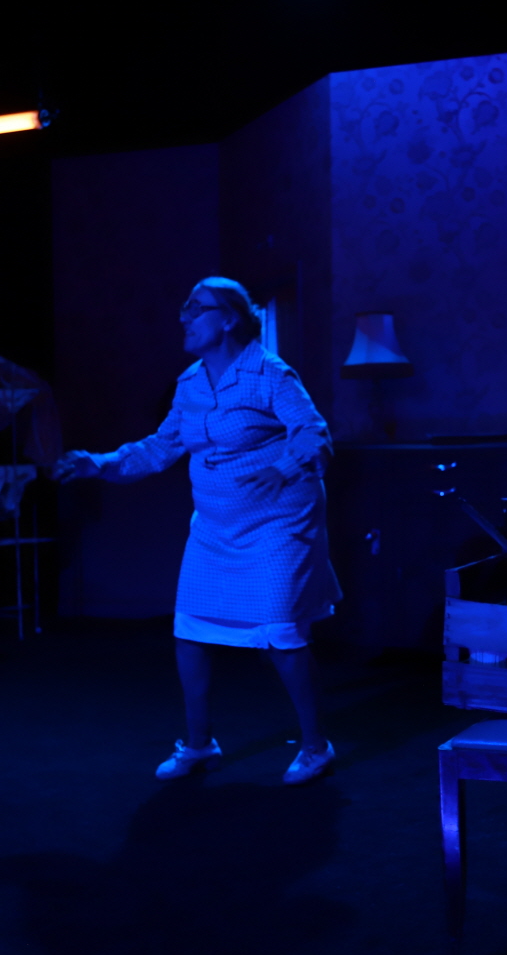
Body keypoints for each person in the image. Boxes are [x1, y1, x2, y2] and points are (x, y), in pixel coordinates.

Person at [52, 277, 342, 784]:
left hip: (278, 522)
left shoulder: (269, 373)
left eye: (195, 307)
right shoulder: (190, 382)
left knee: (280, 633)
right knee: (190, 630)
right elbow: (161, 447)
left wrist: (284, 467)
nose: (183, 316)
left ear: (228, 318)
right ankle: (199, 744)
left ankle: (316, 747)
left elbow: (314, 433)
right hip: (215, 527)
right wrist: (98, 463)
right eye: (184, 306)